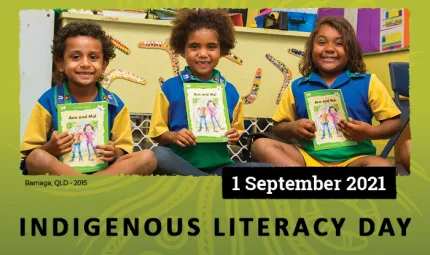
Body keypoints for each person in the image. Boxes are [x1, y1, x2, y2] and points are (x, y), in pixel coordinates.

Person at [251, 16, 402, 167]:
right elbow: (278, 128)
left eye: (339, 43)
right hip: (308, 159)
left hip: (355, 161)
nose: (329, 49)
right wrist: (294, 127)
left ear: (351, 50)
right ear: (311, 50)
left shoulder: (368, 83)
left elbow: (394, 123)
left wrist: (370, 132)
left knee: (383, 166)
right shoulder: (296, 87)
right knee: (261, 145)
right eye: (322, 42)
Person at [20, 21, 157, 175]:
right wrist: (50, 148)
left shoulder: (115, 104)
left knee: (148, 157)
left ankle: (86, 188)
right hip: (61, 173)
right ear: (60, 63)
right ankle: (93, 188)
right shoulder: (47, 101)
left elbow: (124, 151)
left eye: (93, 57)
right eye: (76, 57)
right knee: (37, 158)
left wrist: (114, 152)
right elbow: (29, 155)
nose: (85, 64)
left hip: (104, 171)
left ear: (104, 64)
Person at [149, 8, 271, 176]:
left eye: (211, 47)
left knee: (268, 170)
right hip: (180, 166)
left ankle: (204, 182)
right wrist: (174, 137)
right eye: (194, 46)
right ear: (182, 50)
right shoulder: (169, 88)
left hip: (220, 167)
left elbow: (238, 130)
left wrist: (235, 135)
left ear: (222, 50)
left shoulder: (231, 91)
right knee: (157, 155)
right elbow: (157, 133)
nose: (203, 54)